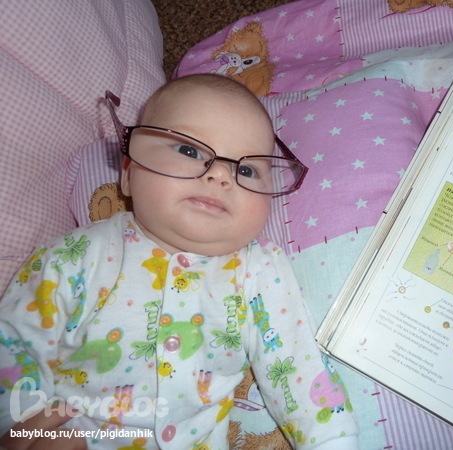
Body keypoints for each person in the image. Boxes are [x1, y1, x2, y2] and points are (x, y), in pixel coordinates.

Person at [0, 74, 358, 449]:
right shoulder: (75, 255)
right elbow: (14, 344)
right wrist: (22, 428)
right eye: (189, 150)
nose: (220, 174)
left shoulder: (258, 268)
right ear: (128, 173)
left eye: (246, 170)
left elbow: (296, 364)